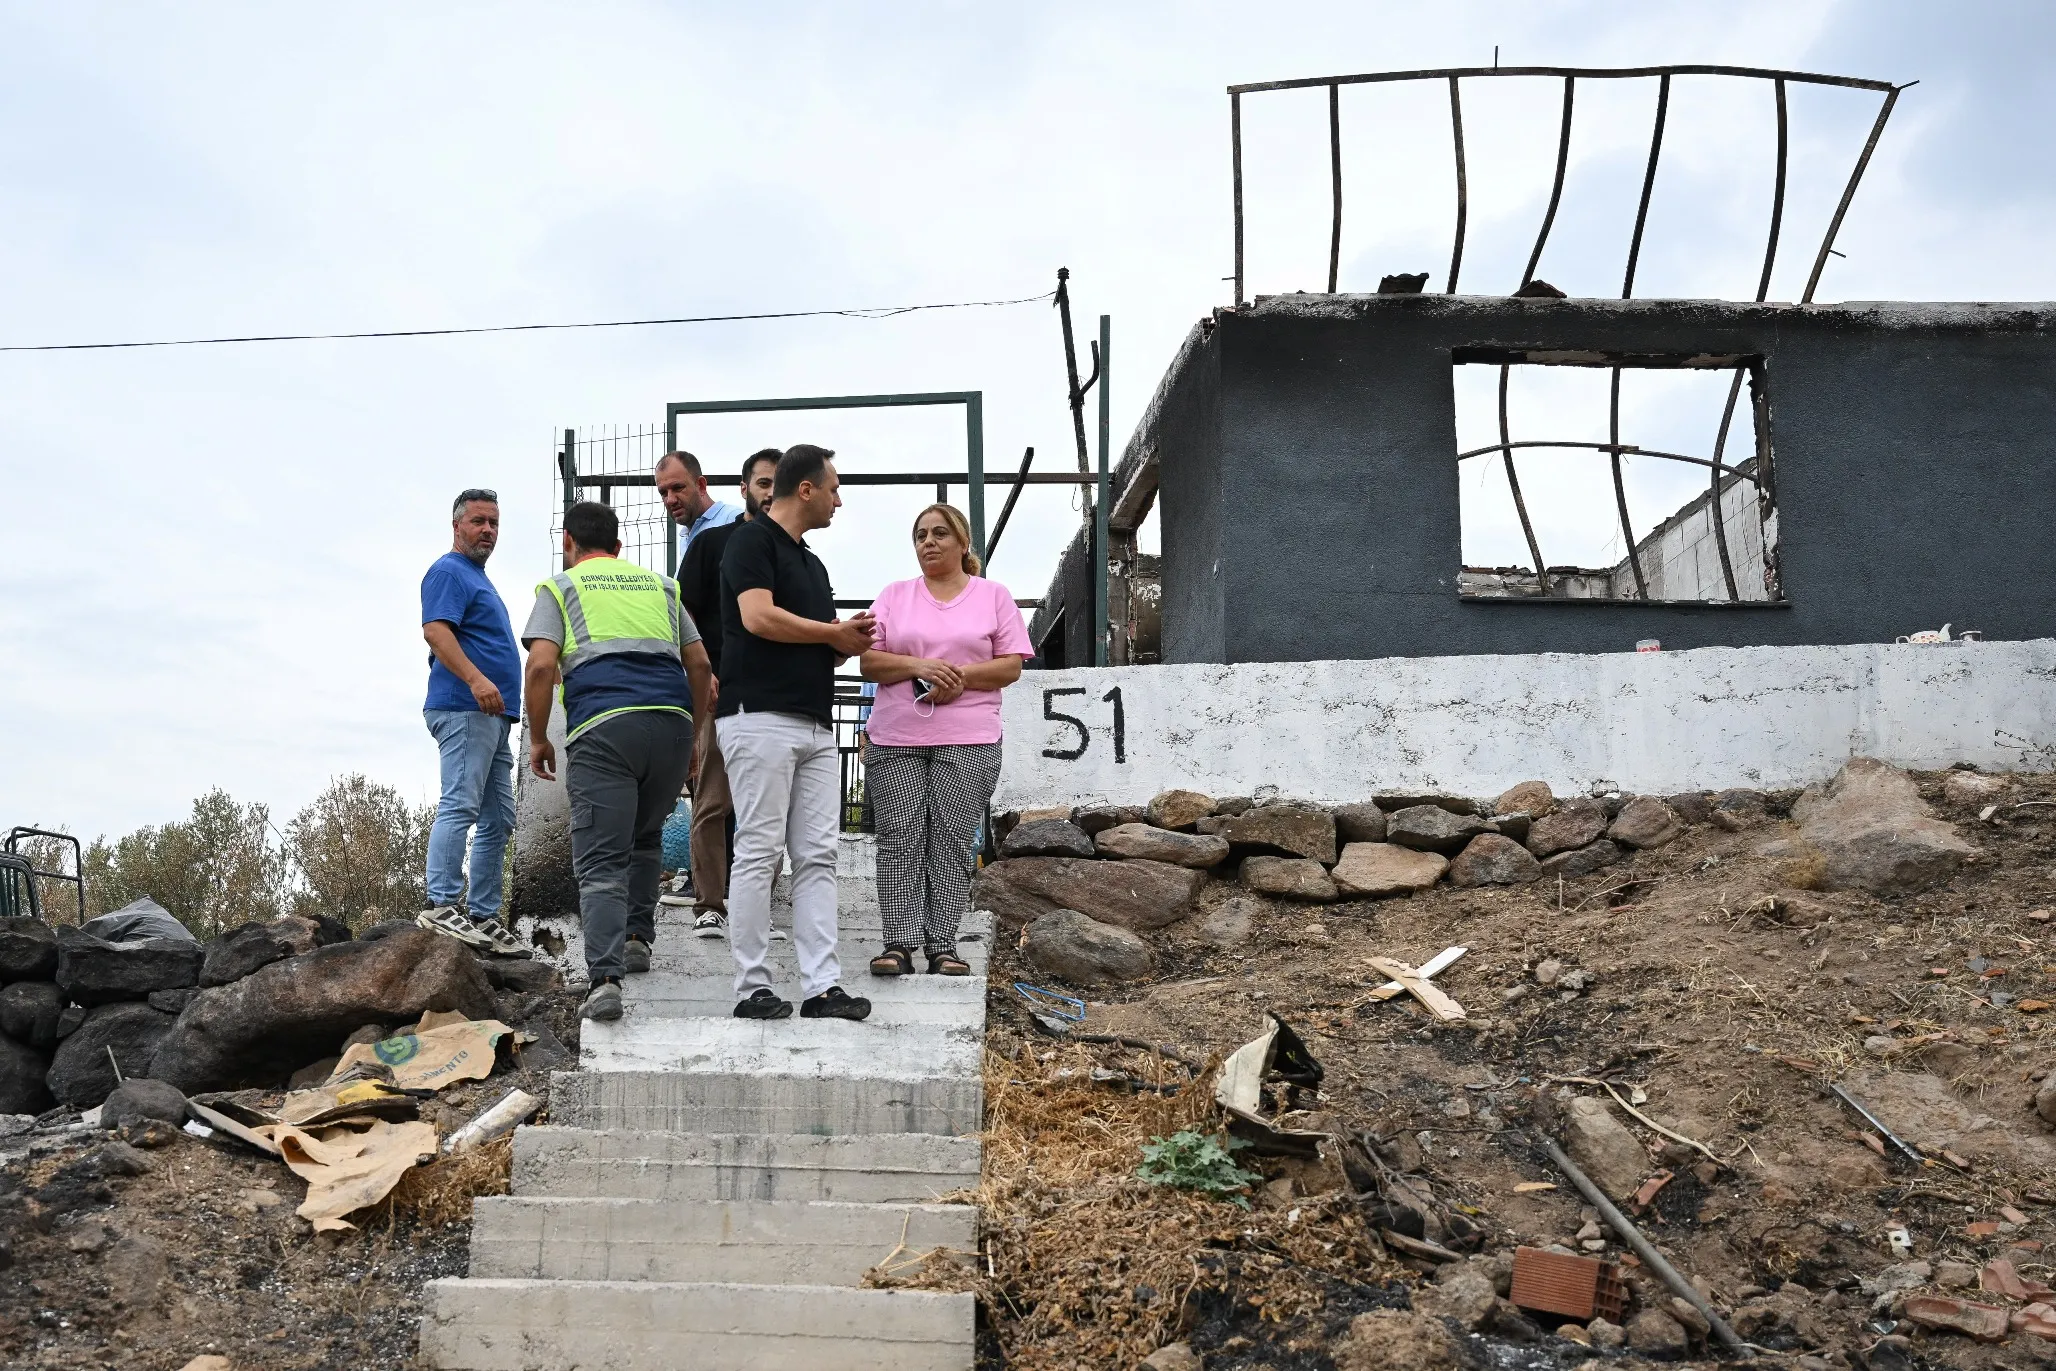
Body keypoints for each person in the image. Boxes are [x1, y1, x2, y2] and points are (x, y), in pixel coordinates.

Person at [521, 501, 715, 1021]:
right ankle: (636, 939)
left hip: (604, 729)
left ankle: (605, 979)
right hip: (671, 726)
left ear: (569, 543)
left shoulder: (559, 588)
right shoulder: (662, 587)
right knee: (646, 835)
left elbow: (541, 666)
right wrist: (693, 735)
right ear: (619, 547)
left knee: (601, 858)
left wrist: (539, 737)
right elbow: (699, 663)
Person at [717, 444, 876, 1021]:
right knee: (759, 851)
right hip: (756, 717)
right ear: (805, 489)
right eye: (833, 487)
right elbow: (757, 616)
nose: (839, 499)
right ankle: (751, 987)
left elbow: (814, 645)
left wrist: (846, 638)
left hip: (814, 724)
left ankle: (821, 987)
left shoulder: (813, 564)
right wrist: (830, 633)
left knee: (818, 856)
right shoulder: (751, 540)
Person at [859, 504, 1030, 975]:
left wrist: (958, 678)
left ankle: (943, 945)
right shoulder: (894, 596)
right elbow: (869, 663)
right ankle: (898, 944)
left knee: (952, 839)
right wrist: (919, 666)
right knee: (898, 837)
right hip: (896, 737)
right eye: (920, 536)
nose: (928, 542)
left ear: (962, 542)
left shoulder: (993, 595)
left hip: (970, 737)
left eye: (939, 533)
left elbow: (1011, 664)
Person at [417, 488, 528, 957]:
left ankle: (482, 914)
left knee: (499, 818)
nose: (488, 530)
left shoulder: (477, 578)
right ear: (457, 525)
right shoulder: (448, 571)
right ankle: (441, 904)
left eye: (494, 523)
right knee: (460, 803)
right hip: (465, 708)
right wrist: (477, 680)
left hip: (493, 716)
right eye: (479, 521)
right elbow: (435, 631)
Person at [675, 448, 780, 938]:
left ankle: (754, 907)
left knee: (767, 808)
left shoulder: (796, 554)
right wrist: (703, 671)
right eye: (763, 482)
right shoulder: (712, 543)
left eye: (780, 483)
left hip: (775, 700)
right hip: (719, 694)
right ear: (744, 489)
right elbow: (682, 613)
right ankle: (710, 905)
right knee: (713, 802)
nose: (771, 492)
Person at [655, 449, 743, 554]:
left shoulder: (733, 519)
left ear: (701, 485)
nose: (670, 500)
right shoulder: (685, 537)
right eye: (663, 493)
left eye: (678, 487)